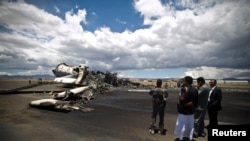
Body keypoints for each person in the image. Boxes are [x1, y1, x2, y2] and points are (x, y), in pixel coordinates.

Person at [174, 76, 198, 141]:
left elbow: (182, 99)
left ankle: (181, 138)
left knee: (181, 125)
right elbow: (194, 102)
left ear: (186, 82)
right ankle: (189, 137)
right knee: (190, 125)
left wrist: (180, 97)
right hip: (191, 111)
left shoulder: (183, 89)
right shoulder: (195, 90)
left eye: (184, 81)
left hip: (183, 111)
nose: (183, 82)